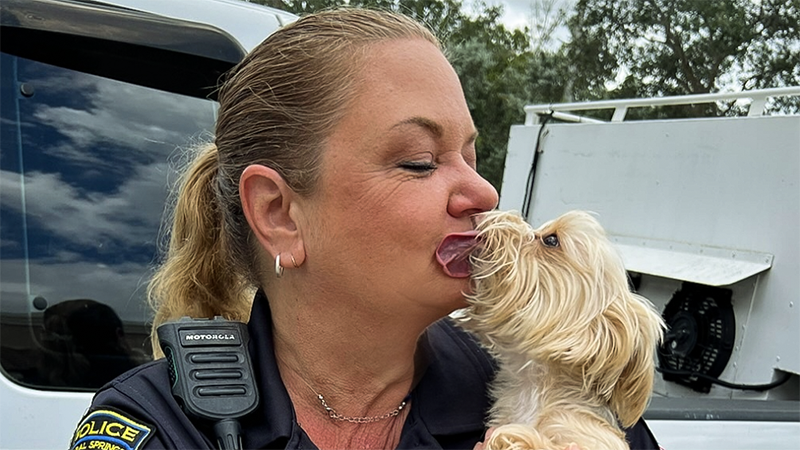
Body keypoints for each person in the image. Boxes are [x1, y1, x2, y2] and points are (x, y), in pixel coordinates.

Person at [69, 8, 661, 450]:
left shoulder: (571, 413)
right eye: (420, 161)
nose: (484, 194)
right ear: (278, 214)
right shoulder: (158, 425)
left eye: (470, 156)